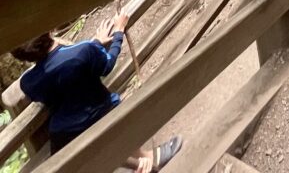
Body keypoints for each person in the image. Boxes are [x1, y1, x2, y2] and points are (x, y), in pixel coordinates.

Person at [12, 16, 182, 170]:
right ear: (50, 30)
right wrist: (118, 33)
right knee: (112, 114)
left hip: (67, 138)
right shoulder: (82, 51)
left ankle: (135, 163)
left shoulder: (27, 83)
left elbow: (60, 70)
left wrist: (93, 45)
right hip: (103, 115)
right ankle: (146, 160)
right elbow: (106, 64)